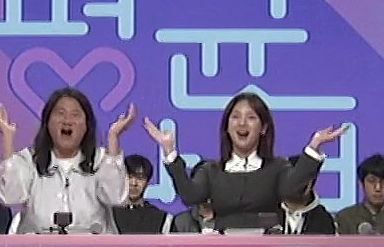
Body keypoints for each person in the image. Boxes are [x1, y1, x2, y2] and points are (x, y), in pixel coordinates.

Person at [149, 93, 348, 232]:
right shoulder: (212, 170)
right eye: (235, 117)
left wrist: (314, 147)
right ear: (227, 127)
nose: (242, 123)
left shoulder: (277, 167)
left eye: (251, 117)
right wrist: (170, 152)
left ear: (263, 128)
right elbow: (191, 195)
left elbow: (293, 189)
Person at [0, 88, 133, 234]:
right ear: (47, 122)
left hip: (90, 246)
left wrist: (113, 140)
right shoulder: (29, 160)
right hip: (40, 246)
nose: (67, 121)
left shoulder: (101, 160)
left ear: (87, 125)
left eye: (75, 115)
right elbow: (11, 197)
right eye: (60, 113)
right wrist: (7, 141)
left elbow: (115, 197)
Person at [112, 154, 171, 234]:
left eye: (139, 178)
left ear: (147, 183)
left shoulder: (162, 219)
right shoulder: (107, 215)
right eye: (129, 177)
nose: (133, 183)